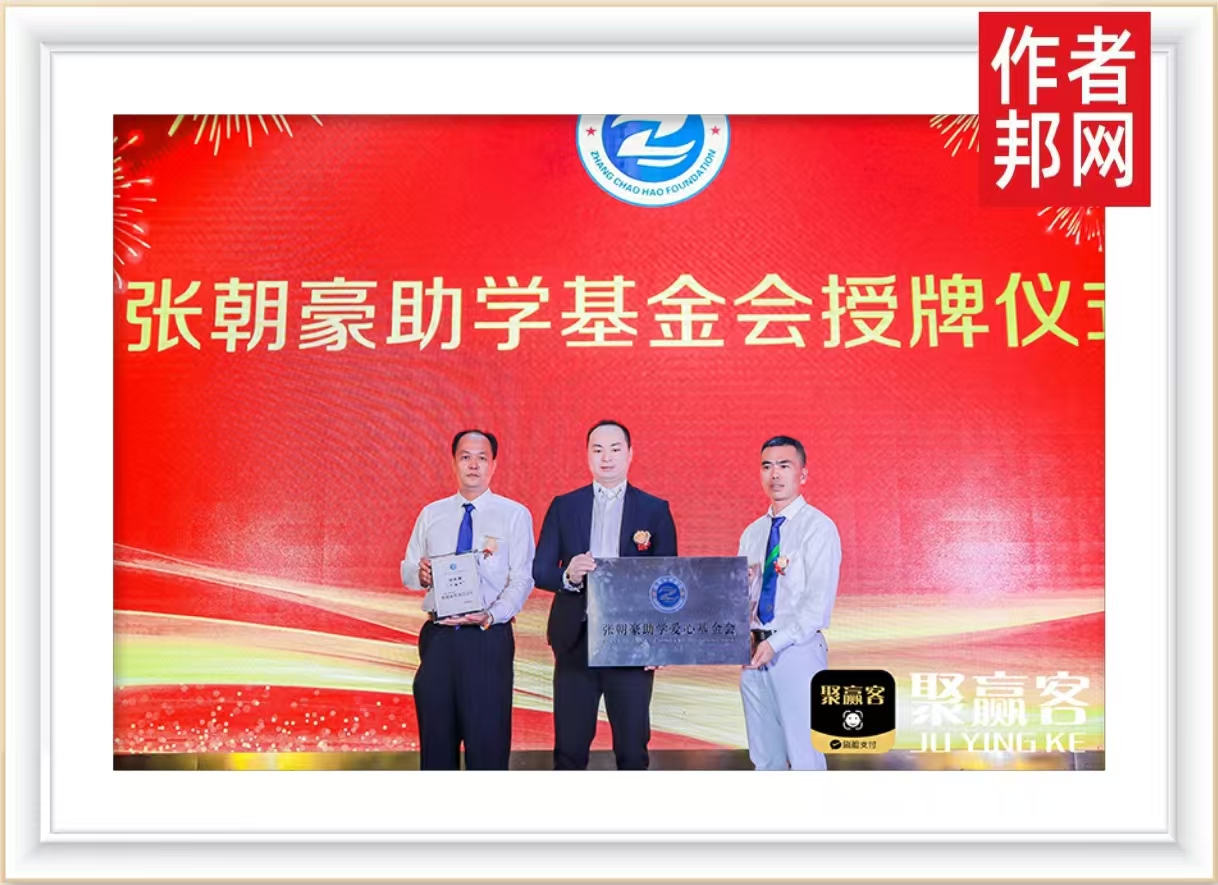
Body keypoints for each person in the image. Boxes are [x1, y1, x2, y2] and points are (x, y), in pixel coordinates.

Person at [533, 420, 678, 770]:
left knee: (632, 749)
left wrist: (661, 643)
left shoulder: (654, 509)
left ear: (630, 454)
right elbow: (539, 570)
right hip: (576, 640)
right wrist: (568, 575)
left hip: (632, 644)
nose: (606, 457)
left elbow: (670, 583)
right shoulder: (565, 506)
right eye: (597, 450)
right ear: (587, 455)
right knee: (569, 749)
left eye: (615, 449)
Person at [401, 429, 535, 770]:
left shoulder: (514, 514)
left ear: (493, 465)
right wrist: (420, 574)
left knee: (487, 747)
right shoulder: (432, 514)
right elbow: (407, 568)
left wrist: (491, 615)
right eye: (465, 457)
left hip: (487, 639)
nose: (473, 465)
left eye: (482, 458)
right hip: (439, 639)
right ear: (454, 462)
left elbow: (522, 578)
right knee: (436, 748)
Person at [738, 435, 842, 770]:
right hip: (754, 654)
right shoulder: (752, 533)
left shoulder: (818, 528)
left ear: (803, 474)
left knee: (804, 755)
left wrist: (776, 643)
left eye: (784, 465)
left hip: (797, 650)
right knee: (764, 757)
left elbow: (817, 605)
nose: (775, 474)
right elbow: (741, 599)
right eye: (767, 466)